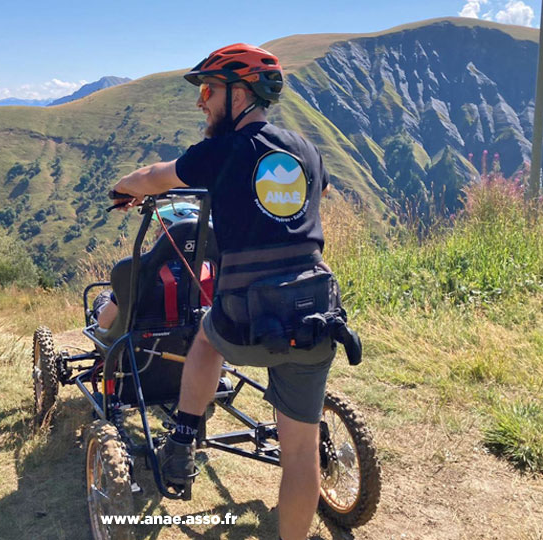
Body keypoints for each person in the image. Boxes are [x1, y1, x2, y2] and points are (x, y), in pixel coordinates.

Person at [112, 43, 333, 540]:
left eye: (208, 91)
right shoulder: (307, 149)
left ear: (239, 94)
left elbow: (153, 178)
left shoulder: (224, 150)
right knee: (301, 451)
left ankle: (185, 434)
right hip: (314, 308)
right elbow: (316, 194)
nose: (201, 103)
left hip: (245, 311)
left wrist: (124, 187)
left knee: (207, 339)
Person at [93, 202, 209, 330]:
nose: (156, 232)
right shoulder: (211, 272)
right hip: (193, 336)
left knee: (103, 297)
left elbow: (105, 322)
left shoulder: (140, 271)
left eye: (161, 227)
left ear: (170, 232)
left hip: (142, 342)